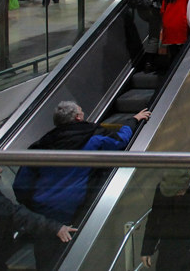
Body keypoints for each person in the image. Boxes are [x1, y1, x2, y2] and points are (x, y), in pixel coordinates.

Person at [13, 101, 150, 269]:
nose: (84, 113)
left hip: (43, 214)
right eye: (82, 111)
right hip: (75, 210)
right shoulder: (92, 136)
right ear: (78, 117)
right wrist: (133, 120)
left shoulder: (40, 145)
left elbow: (21, 184)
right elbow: (120, 141)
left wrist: (33, 206)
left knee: (45, 260)